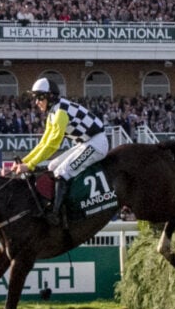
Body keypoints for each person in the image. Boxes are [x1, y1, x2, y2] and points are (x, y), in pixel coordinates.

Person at [17, 77, 109, 226]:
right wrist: (25, 161)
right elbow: (44, 143)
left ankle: (56, 214)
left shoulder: (60, 112)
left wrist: (31, 165)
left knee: (62, 172)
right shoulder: (53, 113)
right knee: (52, 166)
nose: (36, 102)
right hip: (86, 142)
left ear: (50, 97)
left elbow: (53, 145)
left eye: (39, 97)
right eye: (35, 98)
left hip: (97, 143)